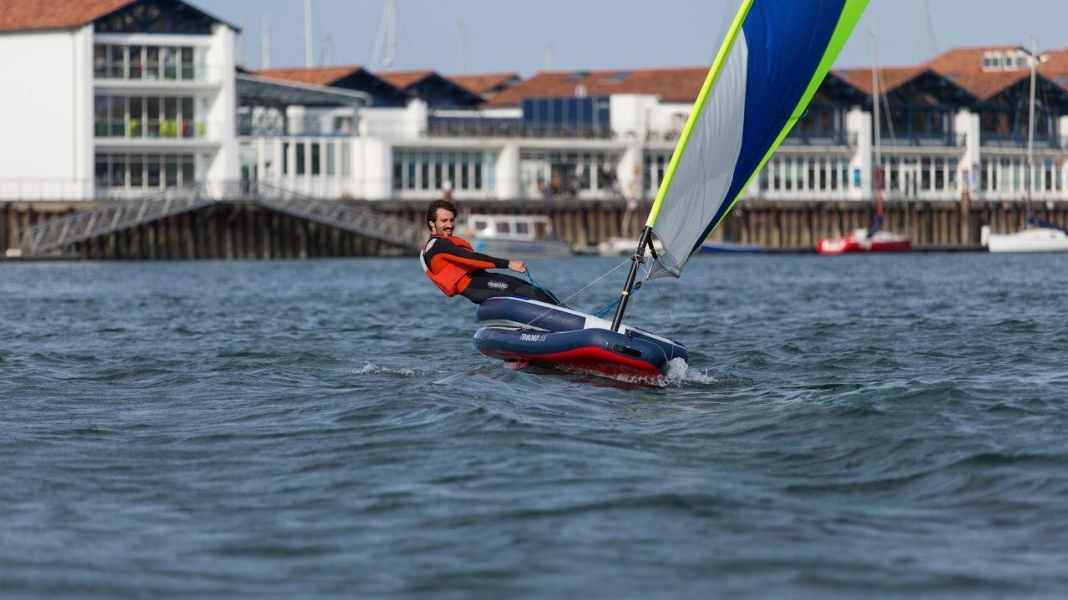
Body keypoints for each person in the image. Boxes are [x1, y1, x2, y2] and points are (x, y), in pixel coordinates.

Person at [420, 199, 560, 305]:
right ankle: (573, 323)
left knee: (529, 288)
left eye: (451, 220)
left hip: (482, 281)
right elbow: (471, 258)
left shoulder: (435, 245)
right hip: (477, 286)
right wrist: (508, 264)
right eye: (444, 221)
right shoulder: (438, 245)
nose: (450, 225)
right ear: (432, 223)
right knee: (531, 292)